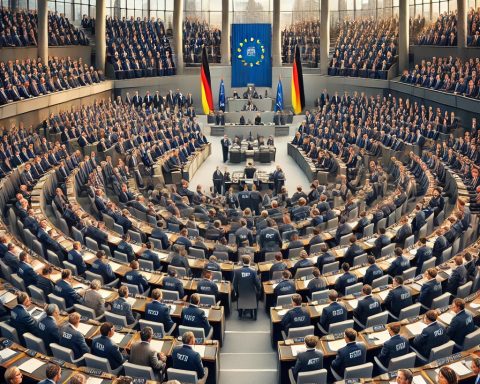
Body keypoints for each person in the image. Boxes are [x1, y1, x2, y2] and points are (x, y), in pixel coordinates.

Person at [233, 255, 261, 319]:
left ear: (242, 262)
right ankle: (253, 313)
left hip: (241, 292)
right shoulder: (253, 271)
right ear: (250, 261)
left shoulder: (237, 271)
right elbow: (257, 283)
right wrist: (259, 290)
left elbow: (234, 284)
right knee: (258, 293)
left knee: (238, 295)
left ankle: (240, 313)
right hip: (252, 293)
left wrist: (236, 292)